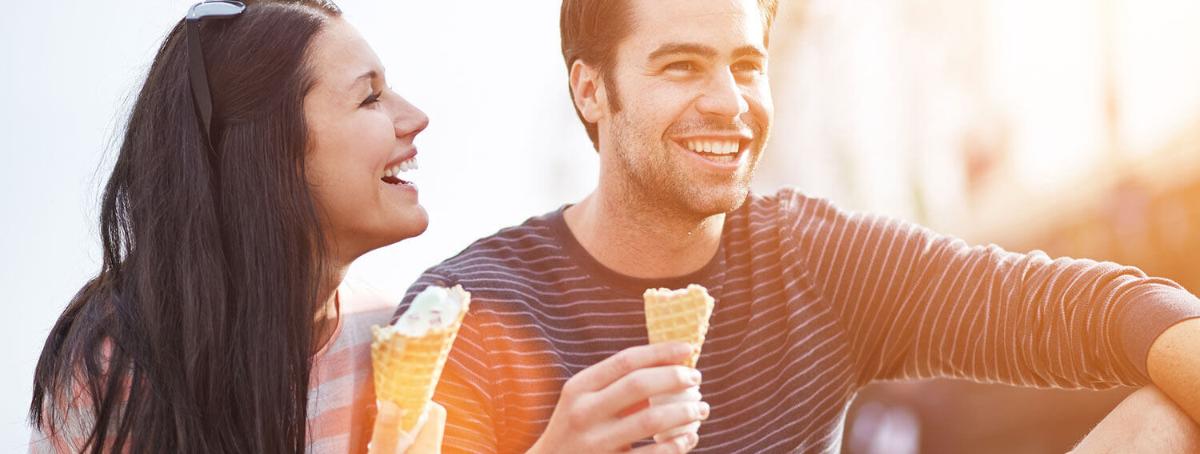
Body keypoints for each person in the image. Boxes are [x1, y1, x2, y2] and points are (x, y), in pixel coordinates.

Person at [395, 0, 1200, 452]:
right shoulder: (469, 309)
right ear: (591, 92)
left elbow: (1085, 310)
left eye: (746, 65)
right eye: (681, 65)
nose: (730, 102)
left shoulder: (812, 257)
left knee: (1166, 417)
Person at [29, 1, 442, 452]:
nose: (416, 118)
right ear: (271, 151)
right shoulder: (112, 373)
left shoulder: (386, 336)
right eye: (369, 97)